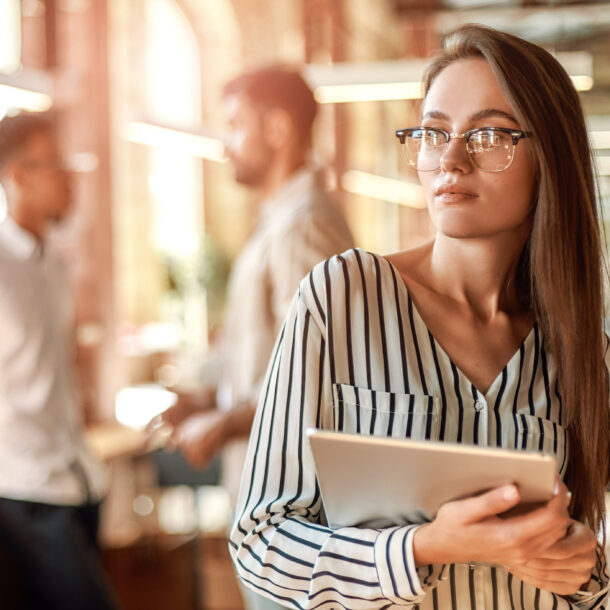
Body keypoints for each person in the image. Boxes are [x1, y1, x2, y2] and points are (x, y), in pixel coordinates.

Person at [229, 24, 609, 609]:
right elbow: (261, 544)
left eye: (488, 134)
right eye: (434, 133)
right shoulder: (342, 296)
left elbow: (592, 557)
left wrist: (583, 568)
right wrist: (420, 549)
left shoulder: (582, 349)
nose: (450, 160)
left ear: (549, 156)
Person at [151, 65, 353, 606]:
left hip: (294, 508)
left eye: (236, 125)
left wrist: (223, 422)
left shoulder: (304, 226)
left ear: (279, 130)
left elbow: (318, 370)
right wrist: (204, 399)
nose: (225, 144)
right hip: (267, 499)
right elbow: (272, 357)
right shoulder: (277, 221)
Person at [0, 113, 116, 610]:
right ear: (17, 176)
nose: (69, 179)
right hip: (24, 489)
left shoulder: (55, 266)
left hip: (79, 480)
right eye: (55, 167)